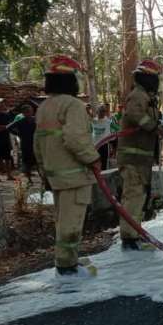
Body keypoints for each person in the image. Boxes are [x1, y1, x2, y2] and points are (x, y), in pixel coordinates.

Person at [33, 55, 100, 277]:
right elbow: (74, 138)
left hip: (56, 176)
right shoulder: (73, 105)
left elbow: (37, 143)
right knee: (71, 223)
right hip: (75, 176)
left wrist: (44, 171)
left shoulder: (44, 107)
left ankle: (67, 259)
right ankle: (66, 267)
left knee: (62, 220)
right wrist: (92, 158)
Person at [117, 59, 163, 251]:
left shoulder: (146, 96)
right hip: (133, 158)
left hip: (141, 158)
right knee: (133, 197)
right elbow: (136, 115)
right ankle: (129, 237)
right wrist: (154, 127)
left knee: (138, 197)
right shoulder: (138, 95)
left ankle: (134, 232)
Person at [9, 103, 37, 185]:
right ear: (23, 113)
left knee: (38, 161)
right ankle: (29, 179)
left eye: (30, 111)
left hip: (35, 142)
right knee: (26, 162)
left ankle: (43, 179)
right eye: (27, 112)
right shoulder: (20, 121)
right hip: (25, 143)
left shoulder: (35, 120)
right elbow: (9, 127)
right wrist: (18, 134)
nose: (29, 113)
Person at [0, 98, 15, 181]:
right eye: (1, 103)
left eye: (4, 103)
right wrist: (6, 127)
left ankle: (9, 175)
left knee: (8, 157)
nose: (3, 105)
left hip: (6, 138)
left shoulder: (6, 115)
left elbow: (10, 126)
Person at [91, 105, 112, 170]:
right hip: (95, 146)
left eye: (103, 111)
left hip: (104, 145)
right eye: (101, 111)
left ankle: (103, 177)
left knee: (104, 164)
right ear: (97, 112)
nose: (102, 113)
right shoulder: (94, 121)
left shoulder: (108, 121)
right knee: (95, 163)